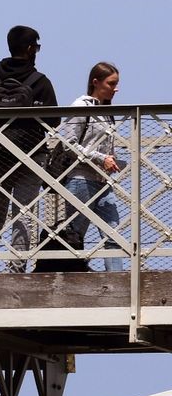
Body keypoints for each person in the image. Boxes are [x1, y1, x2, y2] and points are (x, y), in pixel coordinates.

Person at [0, 25, 58, 271]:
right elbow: (54, 120)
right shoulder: (40, 82)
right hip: (31, 155)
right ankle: (16, 267)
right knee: (25, 213)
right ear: (31, 49)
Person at [46, 62, 124, 272]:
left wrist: (111, 160)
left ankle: (116, 280)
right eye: (111, 84)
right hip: (80, 179)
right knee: (76, 234)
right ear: (96, 82)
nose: (115, 89)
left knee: (113, 233)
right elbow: (69, 143)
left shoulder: (107, 111)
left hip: (102, 180)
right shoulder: (81, 106)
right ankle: (71, 274)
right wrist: (101, 158)